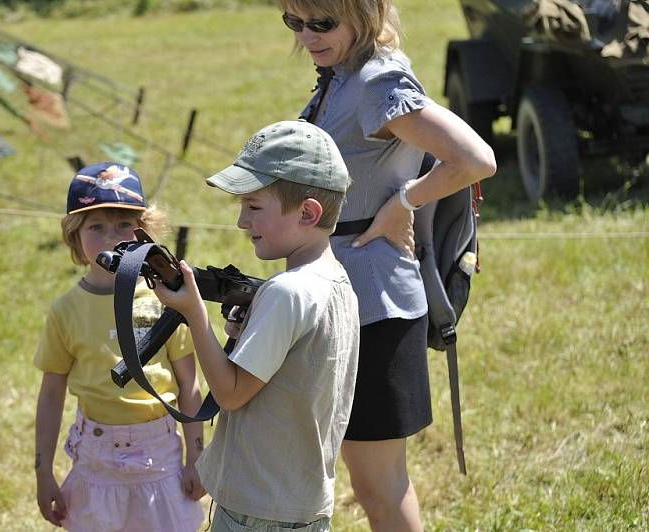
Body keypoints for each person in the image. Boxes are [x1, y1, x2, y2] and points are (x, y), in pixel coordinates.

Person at [274, 1, 498, 530]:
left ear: (363, 14)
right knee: (366, 479)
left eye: (321, 23)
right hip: (340, 296)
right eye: (294, 22)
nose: (306, 36)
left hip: (373, 305)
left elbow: (475, 159)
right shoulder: (342, 72)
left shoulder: (376, 78)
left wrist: (405, 202)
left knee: (380, 484)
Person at [152, 120, 360, 532]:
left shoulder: (286, 293)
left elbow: (229, 393)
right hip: (298, 503)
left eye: (254, 207)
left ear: (307, 212)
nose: (241, 222)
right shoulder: (338, 284)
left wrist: (195, 315)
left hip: (257, 512)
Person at [33, 162, 205, 532]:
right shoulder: (66, 310)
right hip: (96, 462)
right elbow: (51, 394)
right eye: (97, 227)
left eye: (124, 225)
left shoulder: (166, 299)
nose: (112, 237)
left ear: (145, 230)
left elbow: (189, 384)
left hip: (161, 459)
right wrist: (43, 470)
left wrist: (196, 457)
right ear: (74, 237)